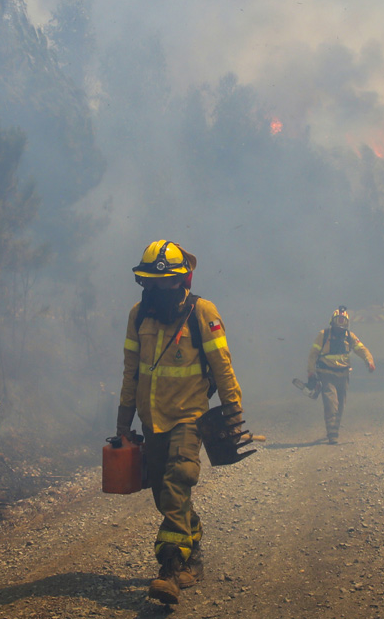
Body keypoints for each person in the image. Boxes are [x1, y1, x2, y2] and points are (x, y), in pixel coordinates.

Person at [116, 239, 245, 605]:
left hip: (189, 418)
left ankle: (169, 570)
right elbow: (130, 374)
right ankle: (193, 547)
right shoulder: (137, 316)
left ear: (181, 280)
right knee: (164, 495)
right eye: (149, 283)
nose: (155, 290)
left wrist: (233, 414)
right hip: (151, 420)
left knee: (177, 483)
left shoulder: (202, 312)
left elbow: (222, 366)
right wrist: (124, 423)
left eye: (163, 282)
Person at [306, 306, 374, 444]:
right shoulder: (323, 335)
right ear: (332, 321)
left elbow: (361, 349)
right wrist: (311, 371)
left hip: (343, 375)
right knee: (331, 404)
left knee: (341, 405)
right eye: (339, 320)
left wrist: (369, 361)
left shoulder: (350, 336)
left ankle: (334, 429)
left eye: (344, 320)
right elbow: (313, 354)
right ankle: (332, 434)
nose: (341, 323)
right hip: (326, 374)